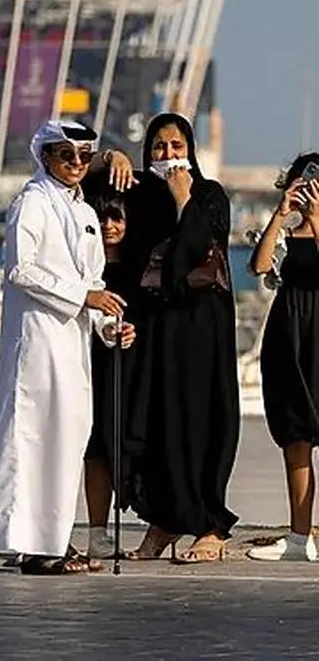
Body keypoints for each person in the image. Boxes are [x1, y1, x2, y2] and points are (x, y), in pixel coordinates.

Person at [0, 120, 133, 575]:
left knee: (69, 441)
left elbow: (94, 284)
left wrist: (110, 325)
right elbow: (21, 271)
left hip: (74, 346)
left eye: (85, 157)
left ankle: (55, 540)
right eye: (68, 156)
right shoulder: (31, 203)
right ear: (46, 156)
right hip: (37, 343)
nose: (77, 165)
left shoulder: (86, 212)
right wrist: (84, 297)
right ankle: (31, 545)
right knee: (33, 439)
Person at [118, 112, 240, 564]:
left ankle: (210, 524)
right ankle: (164, 519)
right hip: (156, 326)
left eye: (176, 147)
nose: (168, 156)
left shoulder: (208, 195)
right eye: (158, 148)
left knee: (201, 418)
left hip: (201, 327)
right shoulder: (142, 198)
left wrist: (185, 199)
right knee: (157, 417)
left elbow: (196, 251)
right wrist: (111, 157)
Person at [248, 154, 319, 562]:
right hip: (289, 331)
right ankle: (298, 537)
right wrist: (282, 213)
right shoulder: (287, 229)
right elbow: (258, 265)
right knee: (296, 436)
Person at [80, 181, 138, 561]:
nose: (109, 226)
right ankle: (97, 531)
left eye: (116, 217)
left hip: (131, 362)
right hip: (89, 360)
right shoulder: (83, 266)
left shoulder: (139, 264)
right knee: (94, 446)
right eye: (101, 218)